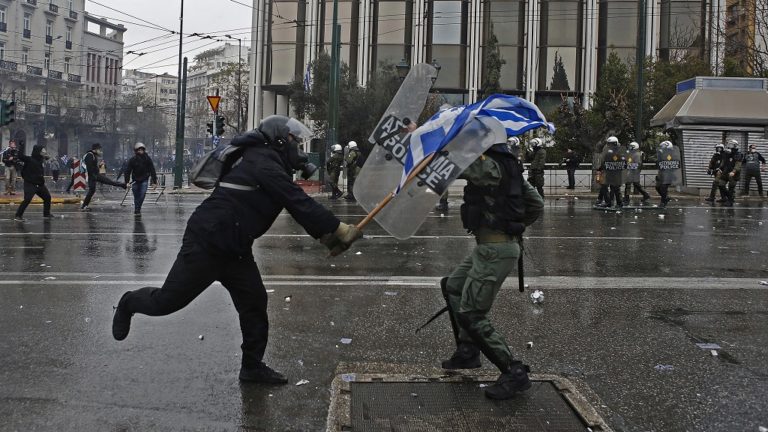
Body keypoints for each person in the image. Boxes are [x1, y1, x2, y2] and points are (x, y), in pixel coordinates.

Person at [111, 116, 363, 384]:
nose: (297, 148)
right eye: (294, 141)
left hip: (236, 247)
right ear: (278, 140)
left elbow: (294, 203)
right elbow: (296, 200)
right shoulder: (261, 160)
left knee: (254, 304)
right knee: (167, 301)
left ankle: (252, 367)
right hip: (208, 241)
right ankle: (129, 302)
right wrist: (337, 229)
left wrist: (326, 236)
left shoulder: (267, 161)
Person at [440, 139, 544, 400]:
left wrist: (428, 144)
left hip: (496, 250)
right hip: (490, 247)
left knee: (472, 313)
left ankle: (514, 372)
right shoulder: (510, 167)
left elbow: (452, 166)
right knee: (453, 286)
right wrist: (513, 225)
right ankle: (468, 351)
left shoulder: (490, 166)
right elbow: (536, 204)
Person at [80, 143, 127, 211]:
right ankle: (84, 206)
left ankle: (123, 185)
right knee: (92, 190)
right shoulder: (90, 155)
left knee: (108, 182)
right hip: (93, 176)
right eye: (99, 150)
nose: (100, 151)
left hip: (95, 175)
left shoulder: (93, 155)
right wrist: (93, 176)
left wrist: (97, 169)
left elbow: (93, 167)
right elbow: (89, 167)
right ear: (95, 149)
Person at [14, 145, 54, 221]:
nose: (43, 152)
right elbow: (20, 156)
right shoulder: (29, 159)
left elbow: (47, 156)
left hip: (40, 184)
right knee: (27, 199)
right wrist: (21, 146)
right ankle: (18, 215)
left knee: (47, 197)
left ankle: (46, 213)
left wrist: (46, 155)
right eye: (42, 150)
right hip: (30, 183)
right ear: (37, 151)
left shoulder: (41, 159)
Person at [124, 142, 159, 217]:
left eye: (142, 150)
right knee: (136, 196)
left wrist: (154, 181)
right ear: (136, 151)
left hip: (144, 180)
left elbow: (152, 169)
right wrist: (126, 182)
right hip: (135, 181)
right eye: (139, 150)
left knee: (142, 194)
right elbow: (128, 171)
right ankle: (137, 209)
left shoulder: (147, 159)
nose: (140, 151)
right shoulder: (132, 160)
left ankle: (137, 208)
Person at [596, 136, 627, 208]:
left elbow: (624, 163)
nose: (609, 145)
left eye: (610, 144)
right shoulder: (611, 151)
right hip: (611, 172)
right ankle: (613, 203)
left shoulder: (619, 151)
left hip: (614, 173)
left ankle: (615, 203)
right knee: (608, 187)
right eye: (608, 144)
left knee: (612, 187)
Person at [655, 140, 682, 208]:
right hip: (662, 173)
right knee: (658, 187)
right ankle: (666, 197)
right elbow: (658, 164)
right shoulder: (662, 153)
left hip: (669, 173)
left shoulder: (673, 154)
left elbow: (676, 163)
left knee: (663, 187)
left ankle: (663, 202)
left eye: (663, 147)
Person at [717, 140, 743, 207]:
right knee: (720, 184)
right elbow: (723, 162)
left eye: (731, 145)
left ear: (735, 146)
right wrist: (720, 168)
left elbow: (738, 165)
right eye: (729, 144)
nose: (729, 146)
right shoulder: (726, 153)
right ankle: (729, 197)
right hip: (726, 171)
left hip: (733, 173)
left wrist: (734, 171)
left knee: (731, 188)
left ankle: (730, 201)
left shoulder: (738, 154)